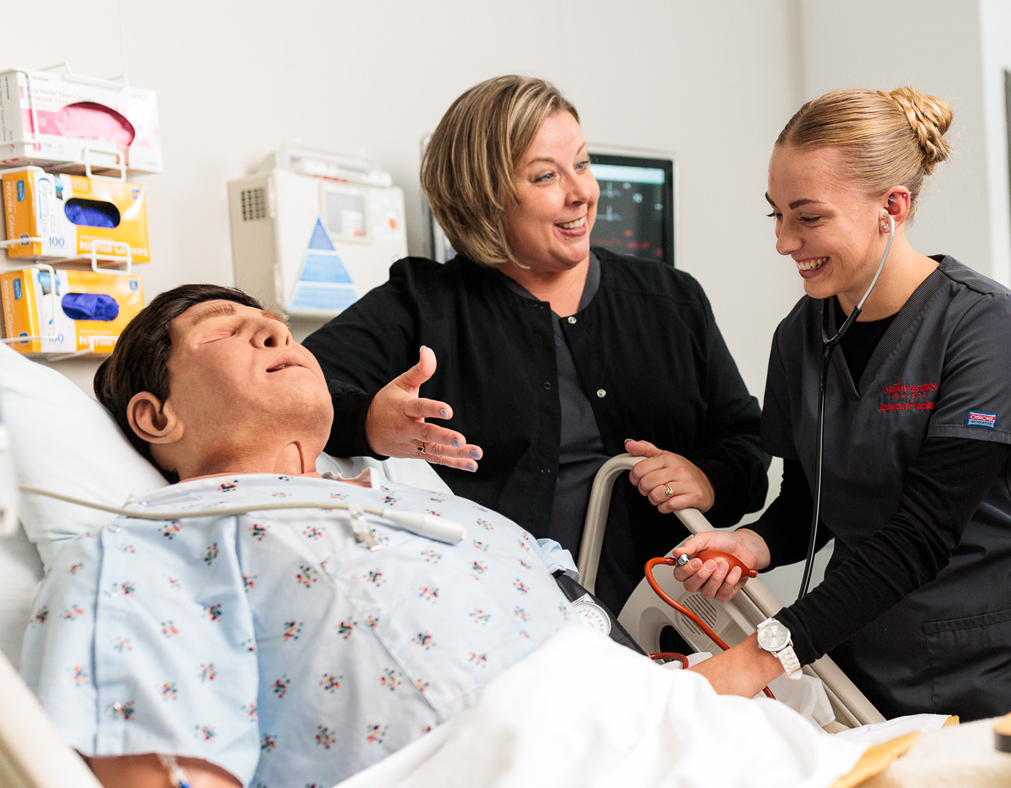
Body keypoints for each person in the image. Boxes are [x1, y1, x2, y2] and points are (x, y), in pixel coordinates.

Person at [24, 284, 581, 788]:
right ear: (156, 417)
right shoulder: (149, 550)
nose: (274, 332)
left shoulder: (428, 501)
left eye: (275, 324)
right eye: (222, 330)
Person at [669, 88, 1011, 720]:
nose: (784, 242)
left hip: (995, 658)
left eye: (808, 218)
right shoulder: (800, 336)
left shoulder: (988, 326)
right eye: (775, 215)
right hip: (865, 652)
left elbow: (921, 535)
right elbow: (811, 500)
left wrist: (759, 656)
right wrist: (751, 543)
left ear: (892, 207)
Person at [303, 76, 769, 611]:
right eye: (546, 175)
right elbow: (296, 391)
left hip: (658, 625)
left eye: (583, 164)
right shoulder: (423, 304)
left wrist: (707, 479)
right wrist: (369, 420)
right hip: (494, 621)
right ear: (483, 197)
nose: (582, 193)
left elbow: (745, 446)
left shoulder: (671, 301)